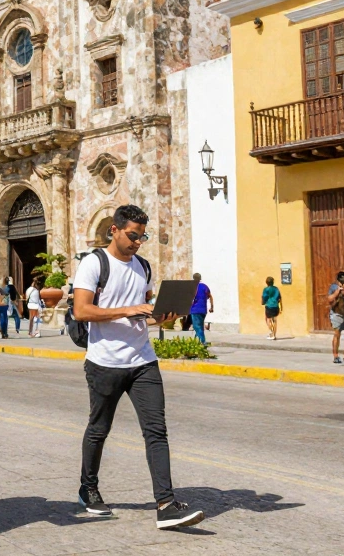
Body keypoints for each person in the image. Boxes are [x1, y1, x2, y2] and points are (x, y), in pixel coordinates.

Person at [71, 204, 204, 531]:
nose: (137, 242)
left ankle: (166, 504)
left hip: (143, 361)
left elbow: (147, 315)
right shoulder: (94, 263)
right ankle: (88, 488)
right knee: (99, 429)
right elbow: (82, 311)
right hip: (104, 362)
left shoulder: (143, 266)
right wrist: (128, 309)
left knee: (156, 430)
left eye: (142, 237)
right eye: (133, 236)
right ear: (114, 230)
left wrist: (164, 316)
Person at [188, 274, 213, 345]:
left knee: (197, 327)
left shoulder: (193, 287)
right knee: (200, 327)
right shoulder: (204, 287)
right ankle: (196, 342)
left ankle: (202, 342)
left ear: (193, 278)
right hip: (203, 310)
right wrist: (212, 307)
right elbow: (210, 297)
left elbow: (189, 298)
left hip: (195, 310)